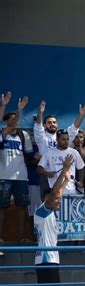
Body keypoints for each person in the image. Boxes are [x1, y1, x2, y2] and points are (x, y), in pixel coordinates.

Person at [34, 154, 73, 286]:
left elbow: (58, 193)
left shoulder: (47, 212)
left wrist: (66, 181)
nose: (59, 201)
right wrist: (63, 171)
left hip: (50, 260)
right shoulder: (42, 211)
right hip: (46, 260)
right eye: (55, 199)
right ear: (46, 199)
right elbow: (55, 193)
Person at [0, 95, 31, 244]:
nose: (15, 122)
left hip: (21, 177)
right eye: (11, 120)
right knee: (1, 207)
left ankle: (21, 238)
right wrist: (5, 106)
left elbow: (30, 155)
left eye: (16, 119)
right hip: (3, 176)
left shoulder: (23, 135)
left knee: (22, 207)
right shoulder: (2, 134)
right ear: (6, 122)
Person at [38, 129, 85, 196]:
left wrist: (81, 181)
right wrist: (48, 173)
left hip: (71, 191)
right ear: (57, 139)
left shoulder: (74, 152)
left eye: (67, 139)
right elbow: (39, 168)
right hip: (54, 190)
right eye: (63, 139)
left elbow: (81, 168)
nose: (66, 142)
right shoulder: (49, 152)